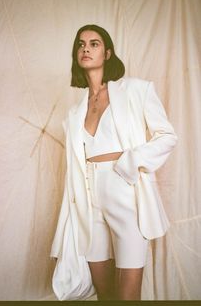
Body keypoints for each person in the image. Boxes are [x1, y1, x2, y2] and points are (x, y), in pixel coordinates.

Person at [50, 24, 177, 300]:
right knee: (104, 292)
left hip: (124, 189)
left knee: (128, 294)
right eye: (81, 44)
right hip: (88, 198)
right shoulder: (74, 112)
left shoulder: (136, 90)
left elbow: (167, 136)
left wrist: (130, 162)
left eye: (94, 44)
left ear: (107, 53)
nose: (86, 48)